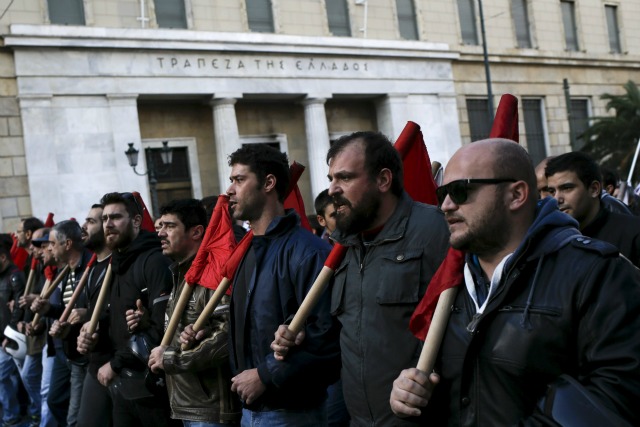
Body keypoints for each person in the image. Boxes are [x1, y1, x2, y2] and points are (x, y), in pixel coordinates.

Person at [390, 139, 640, 425]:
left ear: (517, 194)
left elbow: (617, 395)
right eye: (442, 193)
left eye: (460, 191)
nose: (446, 205)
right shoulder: (448, 285)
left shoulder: (596, 272)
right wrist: (412, 395)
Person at [272, 131, 450, 426]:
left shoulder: (436, 231)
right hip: (360, 419)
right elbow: (345, 323)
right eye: (331, 178)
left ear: (383, 180)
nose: (332, 190)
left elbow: (467, 328)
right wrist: (299, 330)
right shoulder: (345, 245)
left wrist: (430, 379)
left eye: (344, 178)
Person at [223, 144, 340, 426]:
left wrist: (265, 374)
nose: (229, 190)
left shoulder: (308, 252)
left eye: (239, 180)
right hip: (250, 410)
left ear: (268, 183)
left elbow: (328, 336)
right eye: (231, 181)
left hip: (293, 412)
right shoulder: (246, 253)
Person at [138, 198, 240, 426]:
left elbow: (225, 338)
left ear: (196, 232)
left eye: (170, 226)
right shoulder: (180, 274)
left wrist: (171, 359)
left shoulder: (214, 274)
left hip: (210, 411)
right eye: (160, 226)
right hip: (186, 406)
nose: (161, 233)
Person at [76, 192, 174, 427]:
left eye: (116, 217)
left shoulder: (153, 261)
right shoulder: (118, 263)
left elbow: (164, 328)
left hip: (151, 388)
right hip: (124, 387)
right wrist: (92, 332)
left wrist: (116, 363)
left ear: (137, 221)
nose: (108, 224)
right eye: (105, 218)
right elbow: (118, 317)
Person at [31, 220, 92, 427]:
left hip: (84, 353)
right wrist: (48, 309)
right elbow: (66, 310)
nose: (48, 248)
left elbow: (95, 309)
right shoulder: (66, 271)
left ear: (67, 244)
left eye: (52, 243)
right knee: (55, 400)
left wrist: (86, 315)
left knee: (76, 417)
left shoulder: (89, 268)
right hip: (65, 350)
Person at [545, 151, 640, 266]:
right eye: (551, 191)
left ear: (594, 189)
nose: (556, 199)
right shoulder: (552, 243)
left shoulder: (633, 233)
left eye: (567, 188)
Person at [76, 204, 113, 427]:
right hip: (94, 360)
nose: (84, 226)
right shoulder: (93, 268)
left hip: (115, 362)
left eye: (91, 221)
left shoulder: (116, 265)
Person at [0, 234, 26, 427]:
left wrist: (9, 335)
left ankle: (14, 416)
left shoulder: (15, 276)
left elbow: (18, 308)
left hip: (11, 337)